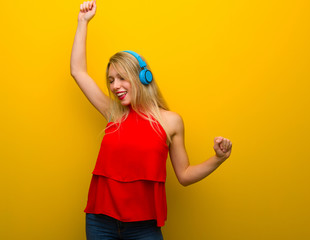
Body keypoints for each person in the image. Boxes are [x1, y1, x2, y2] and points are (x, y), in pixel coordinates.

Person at [70, 1, 233, 239]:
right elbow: (78, 71)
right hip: (100, 222)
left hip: (143, 228)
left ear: (143, 77)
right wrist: (83, 22)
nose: (115, 86)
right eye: (111, 80)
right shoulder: (113, 113)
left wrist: (218, 159)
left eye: (121, 78)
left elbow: (185, 175)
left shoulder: (171, 122)